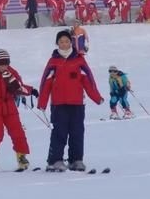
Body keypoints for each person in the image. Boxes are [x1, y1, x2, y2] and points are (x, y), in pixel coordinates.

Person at [38, 30, 103, 172]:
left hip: (77, 104)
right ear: (57, 44)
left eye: (66, 41)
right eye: (61, 42)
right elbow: (45, 82)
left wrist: (96, 97)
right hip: (59, 104)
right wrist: (42, 102)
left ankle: (76, 160)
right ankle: (55, 161)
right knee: (59, 132)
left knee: (77, 132)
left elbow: (88, 79)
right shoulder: (53, 61)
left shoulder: (79, 60)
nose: (64, 44)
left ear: (71, 43)